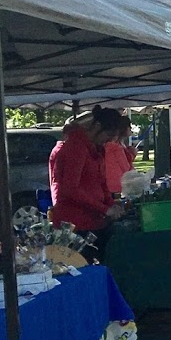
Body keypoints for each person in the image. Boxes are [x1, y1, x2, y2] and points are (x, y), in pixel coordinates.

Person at [49, 106, 125, 258]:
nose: (109, 141)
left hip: (93, 221)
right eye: (108, 135)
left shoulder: (95, 149)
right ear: (97, 127)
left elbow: (101, 182)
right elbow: (70, 188)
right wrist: (104, 209)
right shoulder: (76, 147)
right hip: (75, 223)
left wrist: (111, 205)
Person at [103, 113, 136, 196]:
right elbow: (126, 168)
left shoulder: (103, 147)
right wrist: (133, 154)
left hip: (105, 186)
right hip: (118, 186)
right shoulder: (117, 148)